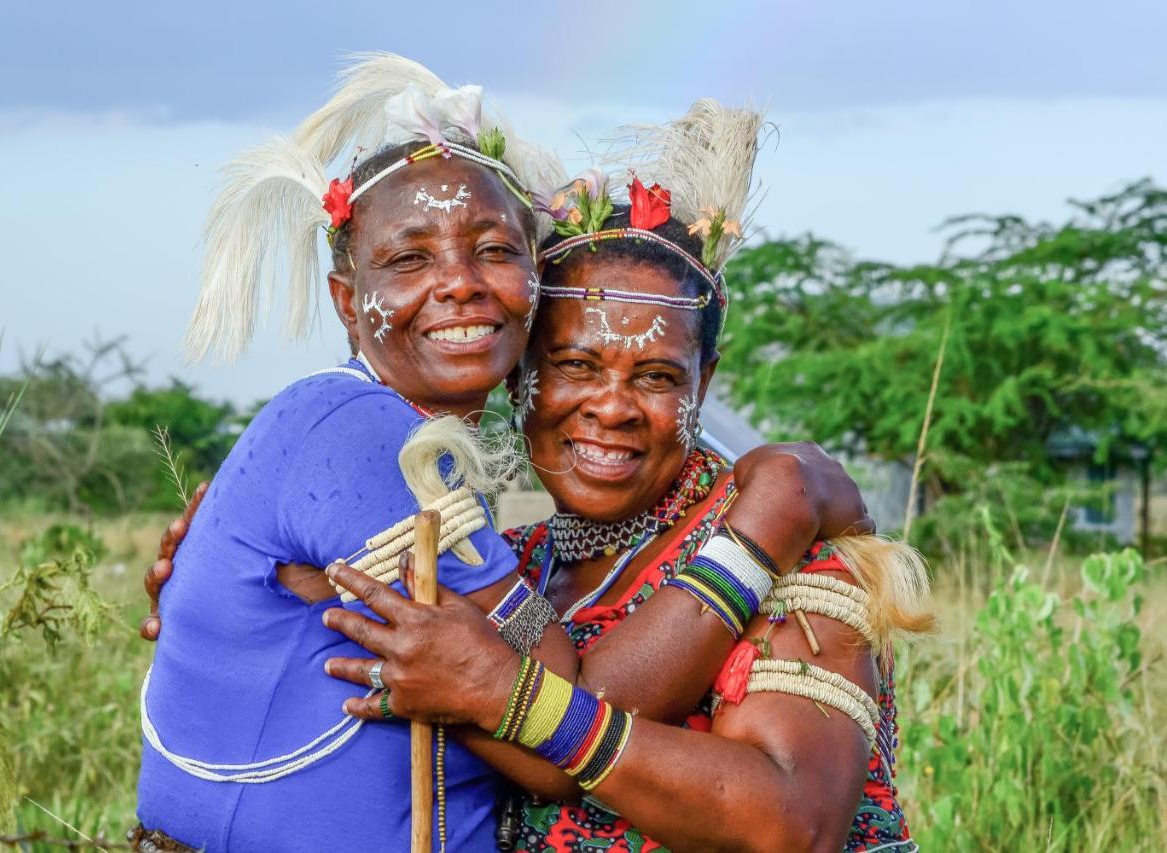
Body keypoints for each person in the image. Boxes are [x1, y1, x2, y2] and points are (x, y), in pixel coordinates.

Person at [144, 94, 931, 851]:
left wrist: (497, 693)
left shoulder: (790, 557)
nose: (611, 406)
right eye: (573, 364)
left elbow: (793, 823)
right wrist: (229, 593)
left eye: (656, 376)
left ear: (706, 380)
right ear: (519, 371)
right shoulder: (506, 554)